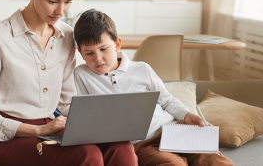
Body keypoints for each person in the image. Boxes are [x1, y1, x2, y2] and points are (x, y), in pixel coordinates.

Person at [0, 0, 137, 166]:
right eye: (52, 1)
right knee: (87, 155)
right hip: (3, 139)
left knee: (121, 147)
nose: (60, 11)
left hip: (51, 130)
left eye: (68, 2)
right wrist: (39, 130)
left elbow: (66, 103)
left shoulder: (66, 36)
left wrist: (100, 124)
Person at [73, 9, 233, 166]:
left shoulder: (142, 69)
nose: (98, 58)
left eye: (103, 49)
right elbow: (85, 117)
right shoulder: (81, 75)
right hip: (142, 144)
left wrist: (186, 115)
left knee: (213, 159)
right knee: (170, 164)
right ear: (80, 53)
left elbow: (167, 101)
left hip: (171, 129)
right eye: (89, 53)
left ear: (117, 44)